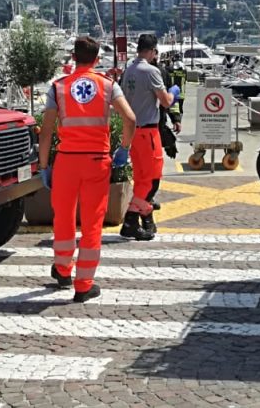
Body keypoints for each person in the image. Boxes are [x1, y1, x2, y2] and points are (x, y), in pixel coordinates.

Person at [37, 36, 136, 303]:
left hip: (67, 161)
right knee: (92, 223)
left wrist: (44, 166)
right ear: (96, 59)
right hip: (97, 161)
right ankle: (84, 285)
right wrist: (124, 149)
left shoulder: (58, 87)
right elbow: (130, 118)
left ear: (73, 57)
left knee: (64, 217)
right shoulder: (107, 85)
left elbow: (46, 132)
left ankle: (62, 270)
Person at [119, 34, 179, 241]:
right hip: (148, 131)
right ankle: (130, 218)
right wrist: (174, 92)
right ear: (152, 51)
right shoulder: (152, 71)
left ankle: (145, 220)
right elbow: (165, 101)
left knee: (141, 177)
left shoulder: (128, 71)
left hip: (133, 132)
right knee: (151, 180)